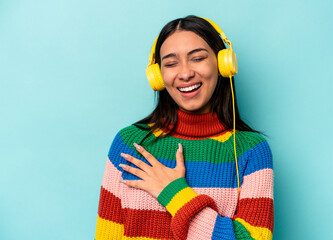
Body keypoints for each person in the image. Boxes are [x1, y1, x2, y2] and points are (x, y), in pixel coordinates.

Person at [95, 15, 274, 240]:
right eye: (171, 63)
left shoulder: (251, 151)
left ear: (222, 64)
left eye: (197, 58)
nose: (185, 73)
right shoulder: (129, 143)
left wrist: (173, 193)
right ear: (158, 76)